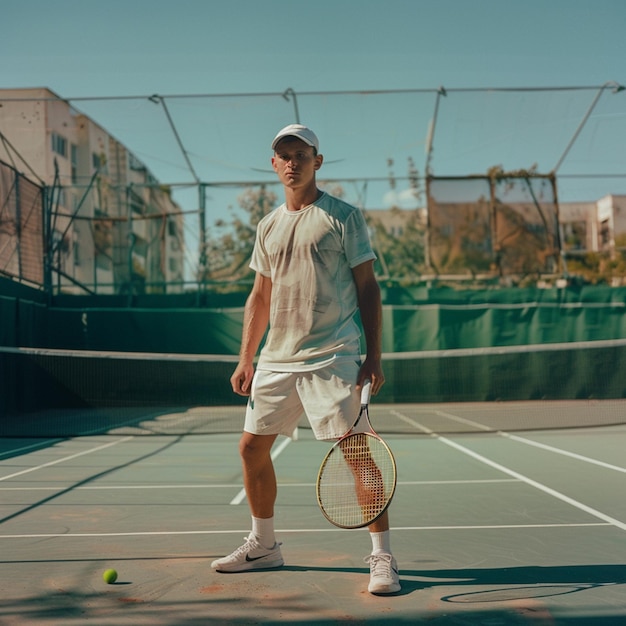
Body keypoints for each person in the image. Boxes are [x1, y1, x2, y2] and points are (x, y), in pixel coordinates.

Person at [211, 124, 400, 595]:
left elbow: (368, 288)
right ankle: (264, 546)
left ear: (318, 161)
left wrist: (373, 356)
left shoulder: (343, 217)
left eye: (301, 154)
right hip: (277, 360)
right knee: (251, 448)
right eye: (284, 156)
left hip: (333, 354)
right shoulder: (268, 226)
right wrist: (246, 358)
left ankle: (382, 556)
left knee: (355, 452)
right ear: (274, 165)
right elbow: (259, 295)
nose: (292, 163)